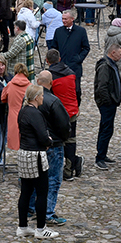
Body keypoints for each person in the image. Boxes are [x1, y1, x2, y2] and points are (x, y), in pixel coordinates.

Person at [15, 84, 57, 240]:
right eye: (41, 95)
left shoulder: (23, 111)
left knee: (25, 191)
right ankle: (40, 228)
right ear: (36, 97)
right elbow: (42, 136)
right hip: (36, 156)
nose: (43, 98)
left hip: (24, 153)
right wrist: (49, 141)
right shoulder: (35, 114)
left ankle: (23, 226)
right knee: (42, 192)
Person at [35, 71, 71, 225]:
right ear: (51, 82)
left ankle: (32, 208)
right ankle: (48, 212)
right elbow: (64, 125)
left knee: (34, 177)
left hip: (34, 145)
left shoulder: (31, 100)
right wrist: (63, 138)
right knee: (53, 179)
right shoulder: (53, 101)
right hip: (53, 144)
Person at [46, 49, 81, 182]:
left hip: (57, 113)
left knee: (56, 139)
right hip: (71, 111)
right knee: (71, 140)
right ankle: (69, 169)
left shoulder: (50, 76)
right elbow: (77, 92)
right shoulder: (71, 73)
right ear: (59, 59)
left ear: (47, 61)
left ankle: (54, 167)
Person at [93, 44, 121, 170]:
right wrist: (108, 101)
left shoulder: (111, 64)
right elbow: (102, 86)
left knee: (107, 129)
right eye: (120, 54)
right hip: (107, 104)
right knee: (106, 129)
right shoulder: (105, 66)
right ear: (113, 52)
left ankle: (102, 154)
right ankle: (100, 157)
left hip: (111, 102)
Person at [51, 10, 90, 104]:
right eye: (62, 19)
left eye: (65, 19)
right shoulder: (58, 31)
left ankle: (76, 109)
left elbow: (86, 48)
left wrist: (79, 58)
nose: (63, 21)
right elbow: (53, 47)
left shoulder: (81, 31)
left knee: (76, 90)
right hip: (60, 66)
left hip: (74, 66)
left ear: (72, 19)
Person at [0, 63, 31, 152]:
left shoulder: (10, 84)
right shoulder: (30, 86)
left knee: (15, 138)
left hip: (13, 116)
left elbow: (3, 98)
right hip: (27, 116)